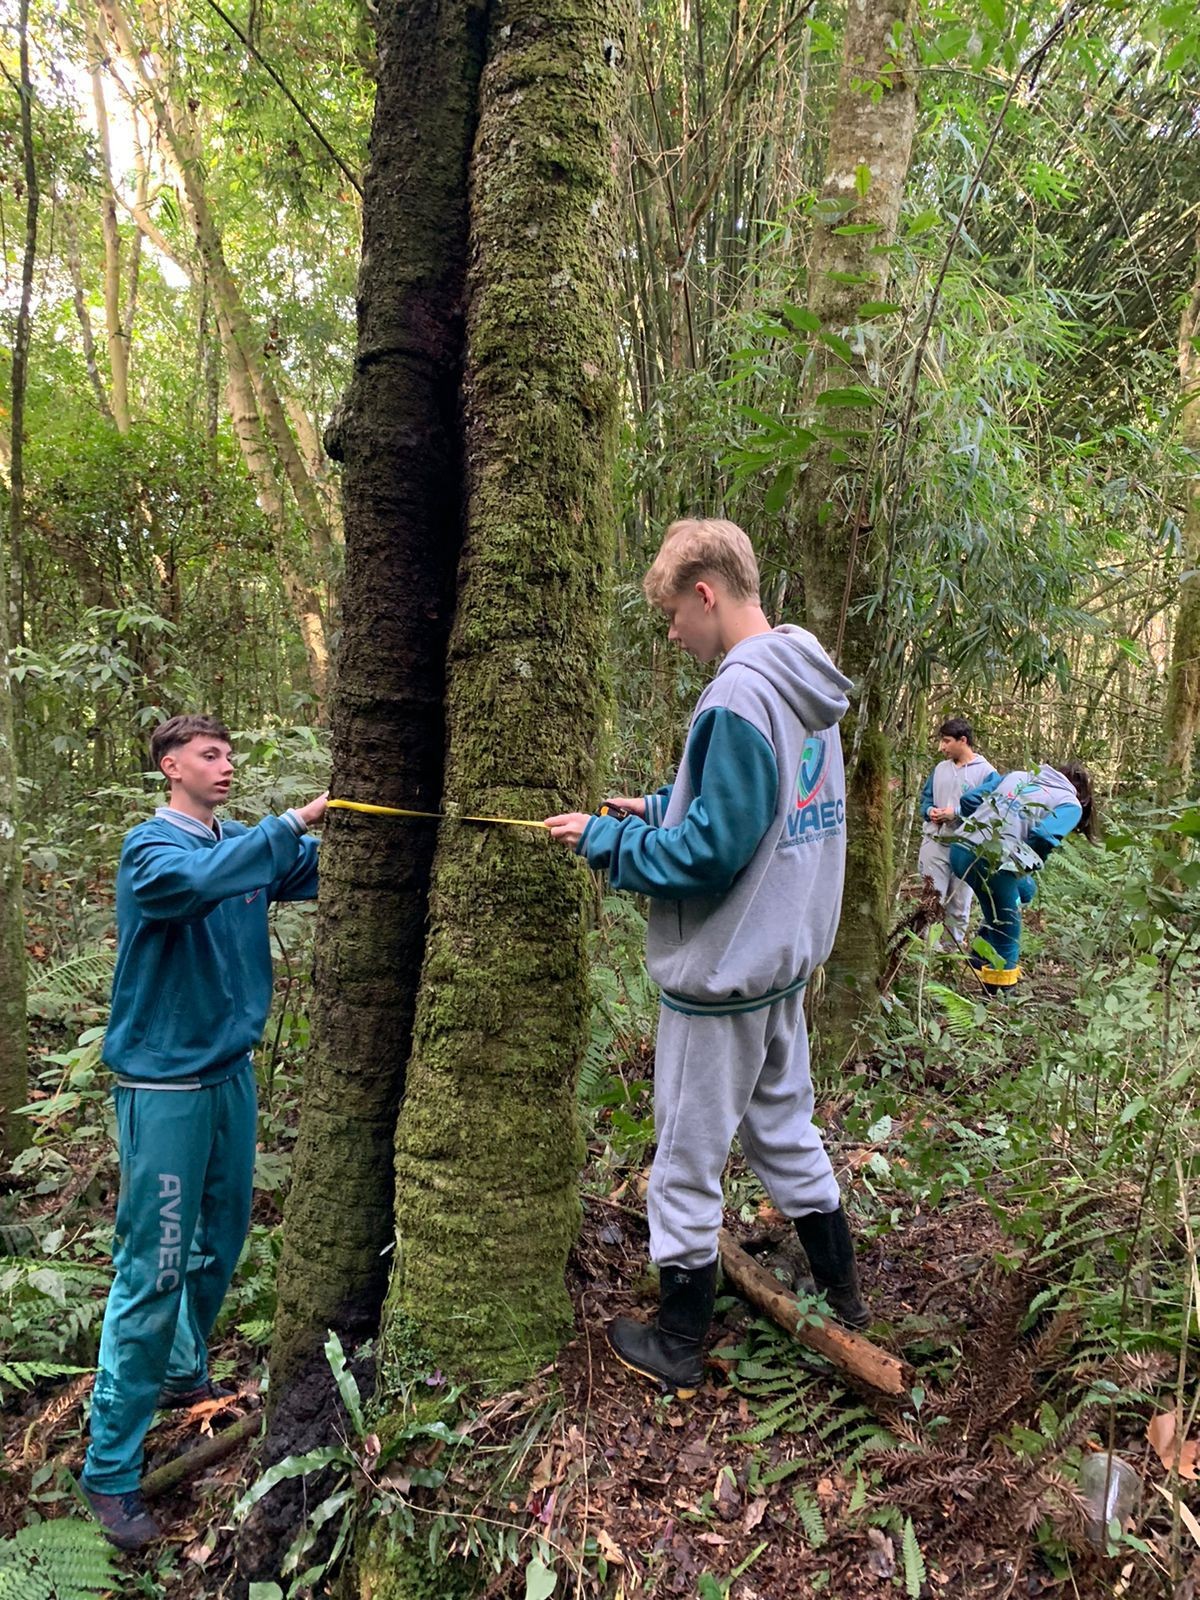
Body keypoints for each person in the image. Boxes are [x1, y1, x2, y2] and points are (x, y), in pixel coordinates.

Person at [545, 518, 868, 1397]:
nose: (677, 637)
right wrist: (659, 804)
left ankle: (681, 1339)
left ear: (705, 593)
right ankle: (846, 1297)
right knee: (785, 1130)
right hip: (782, 963)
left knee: (686, 1159)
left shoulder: (736, 696)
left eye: (674, 620)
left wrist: (608, 842)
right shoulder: (804, 680)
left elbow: (710, 853)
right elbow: (756, 809)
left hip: (724, 972)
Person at [80, 715, 326, 1549]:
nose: (226, 766)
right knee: (154, 1264)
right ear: (170, 766)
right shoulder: (153, 851)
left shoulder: (240, 848)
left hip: (230, 1074)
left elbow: (322, 871)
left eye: (230, 753)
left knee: (220, 1239)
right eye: (209, 755)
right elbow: (198, 881)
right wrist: (289, 824)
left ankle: (186, 1372)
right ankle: (109, 1470)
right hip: (165, 1084)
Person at [947, 760, 1095, 993]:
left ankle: (978, 956)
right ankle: (999, 994)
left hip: (960, 848)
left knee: (1025, 891)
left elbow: (969, 800)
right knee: (1009, 927)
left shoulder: (1018, 775)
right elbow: (1044, 836)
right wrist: (1027, 862)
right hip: (992, 862)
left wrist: (976, 828)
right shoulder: (1070, 803)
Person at [917, 718, 996, 946]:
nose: (942, 747)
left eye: (946, 741)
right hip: (935, 842)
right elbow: (926, 799)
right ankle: (929, 955)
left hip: (967, 847)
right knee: (932, 901)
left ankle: (951, 956)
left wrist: (958, 813)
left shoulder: (987, 773)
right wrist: (930, 811)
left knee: (960, 905)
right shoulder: (940, 769)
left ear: (963, 740)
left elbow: (991, 809)